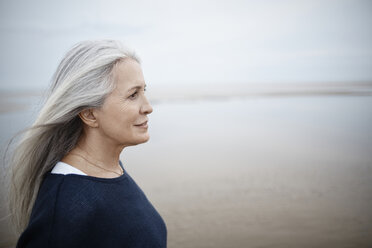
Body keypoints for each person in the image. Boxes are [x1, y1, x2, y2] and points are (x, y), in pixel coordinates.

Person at [8, 40, 167, 247]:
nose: (148, 107)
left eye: (144, 91)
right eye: (133, 95)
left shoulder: (111, 170)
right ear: (89, 114)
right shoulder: (66, 206)